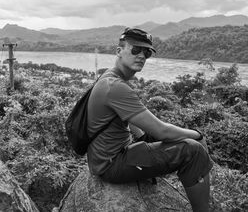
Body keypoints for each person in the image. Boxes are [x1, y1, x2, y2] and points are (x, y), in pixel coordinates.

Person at [86, 27, 213, 212]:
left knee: (173, 138)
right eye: (135, 49)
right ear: (118, 51)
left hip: (110, 155)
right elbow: (162, 131)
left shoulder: (108, 77)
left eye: (146, 52)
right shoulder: (115, 86)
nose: (142, 56)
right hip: (112, 164)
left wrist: (145, 139)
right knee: (193, 150)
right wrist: (198, 135)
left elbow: (129, 121)